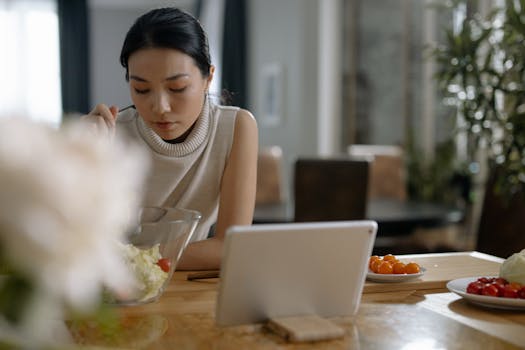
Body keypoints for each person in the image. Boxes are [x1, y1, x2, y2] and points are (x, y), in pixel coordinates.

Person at [81, 7, 258, 271]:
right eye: (141, 89)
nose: (160, 107)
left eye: (177, 88)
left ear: (208, 77)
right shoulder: (112, 135)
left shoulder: (235, 127)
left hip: (186, 286)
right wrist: (80, 156)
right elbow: (84, 246)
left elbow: (231, 246)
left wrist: (131, 259)